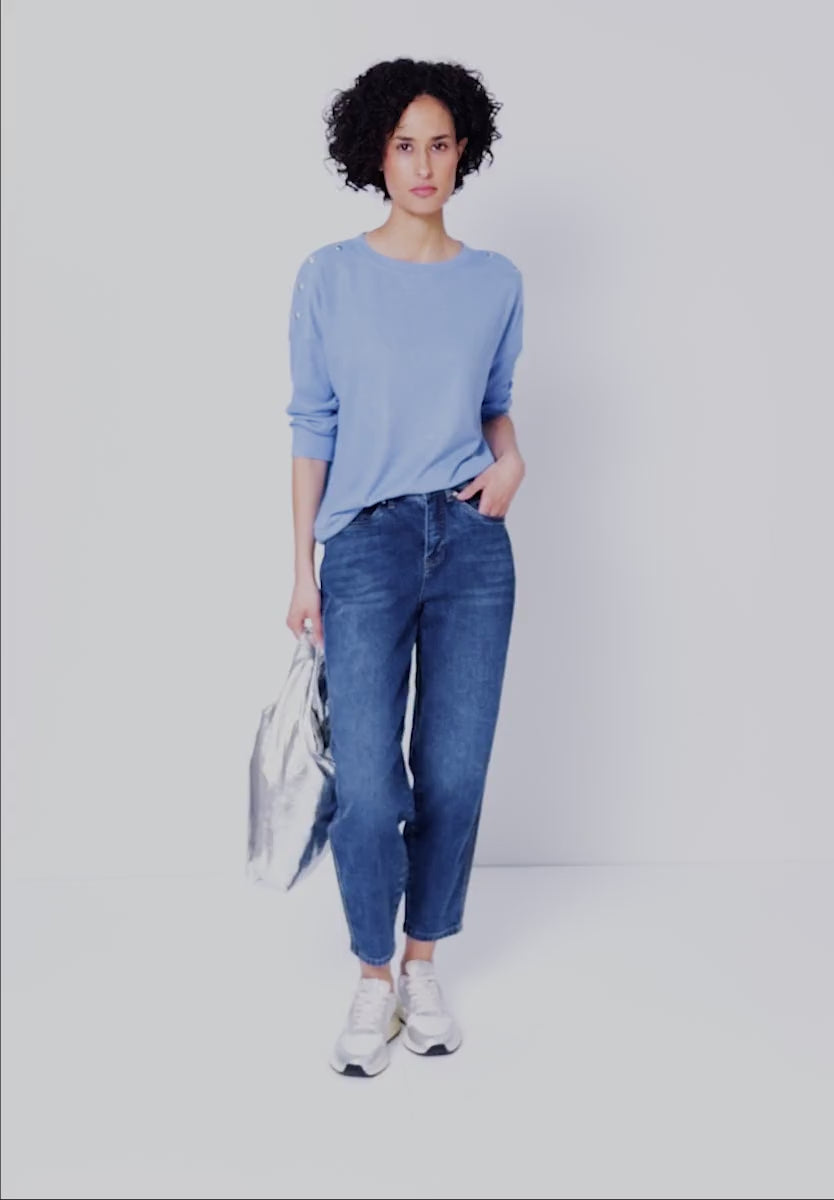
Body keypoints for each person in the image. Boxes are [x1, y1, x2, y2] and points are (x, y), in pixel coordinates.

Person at [285, 57, 526, 1077]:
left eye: (439, 144)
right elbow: (313, 424)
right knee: (370, 778)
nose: (423, 165)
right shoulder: (329, 277)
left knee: (456, 772)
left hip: (471, 543)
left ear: (463, 150)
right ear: (374, 155)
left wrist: (513, 461)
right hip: (366, 546)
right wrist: (303, 568)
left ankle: (423, 963)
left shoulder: (496, 281)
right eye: (403, 145)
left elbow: (494, 405)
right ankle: (371, 972)